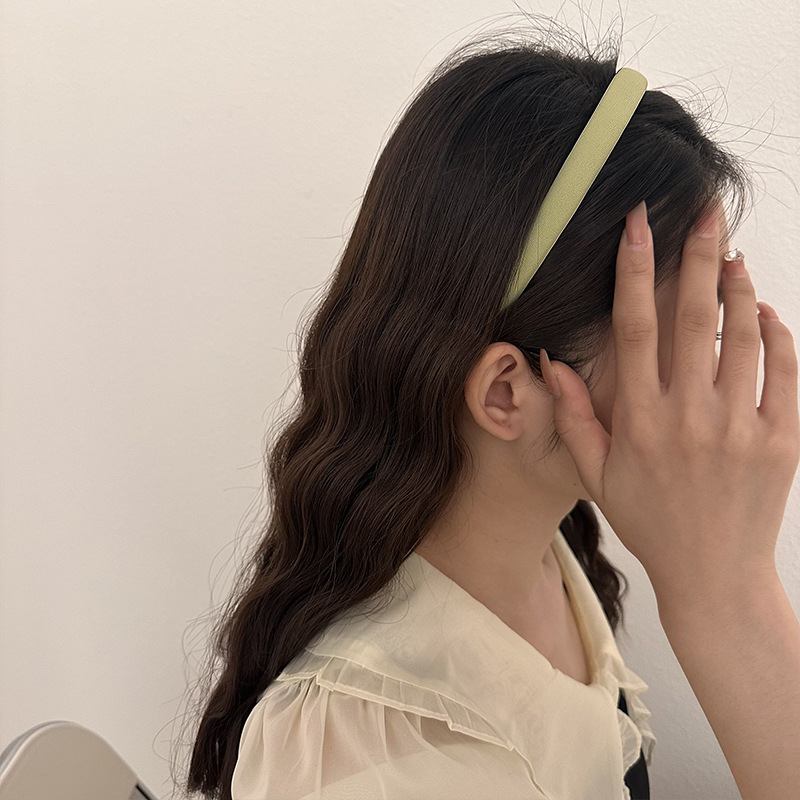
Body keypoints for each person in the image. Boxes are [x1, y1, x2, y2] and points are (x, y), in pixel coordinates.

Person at [179, 20, 800, 800]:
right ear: (508, 392)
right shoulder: (369, 753)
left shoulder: (550, 550)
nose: (719, 394)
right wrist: (727, 590)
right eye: (686, 334)